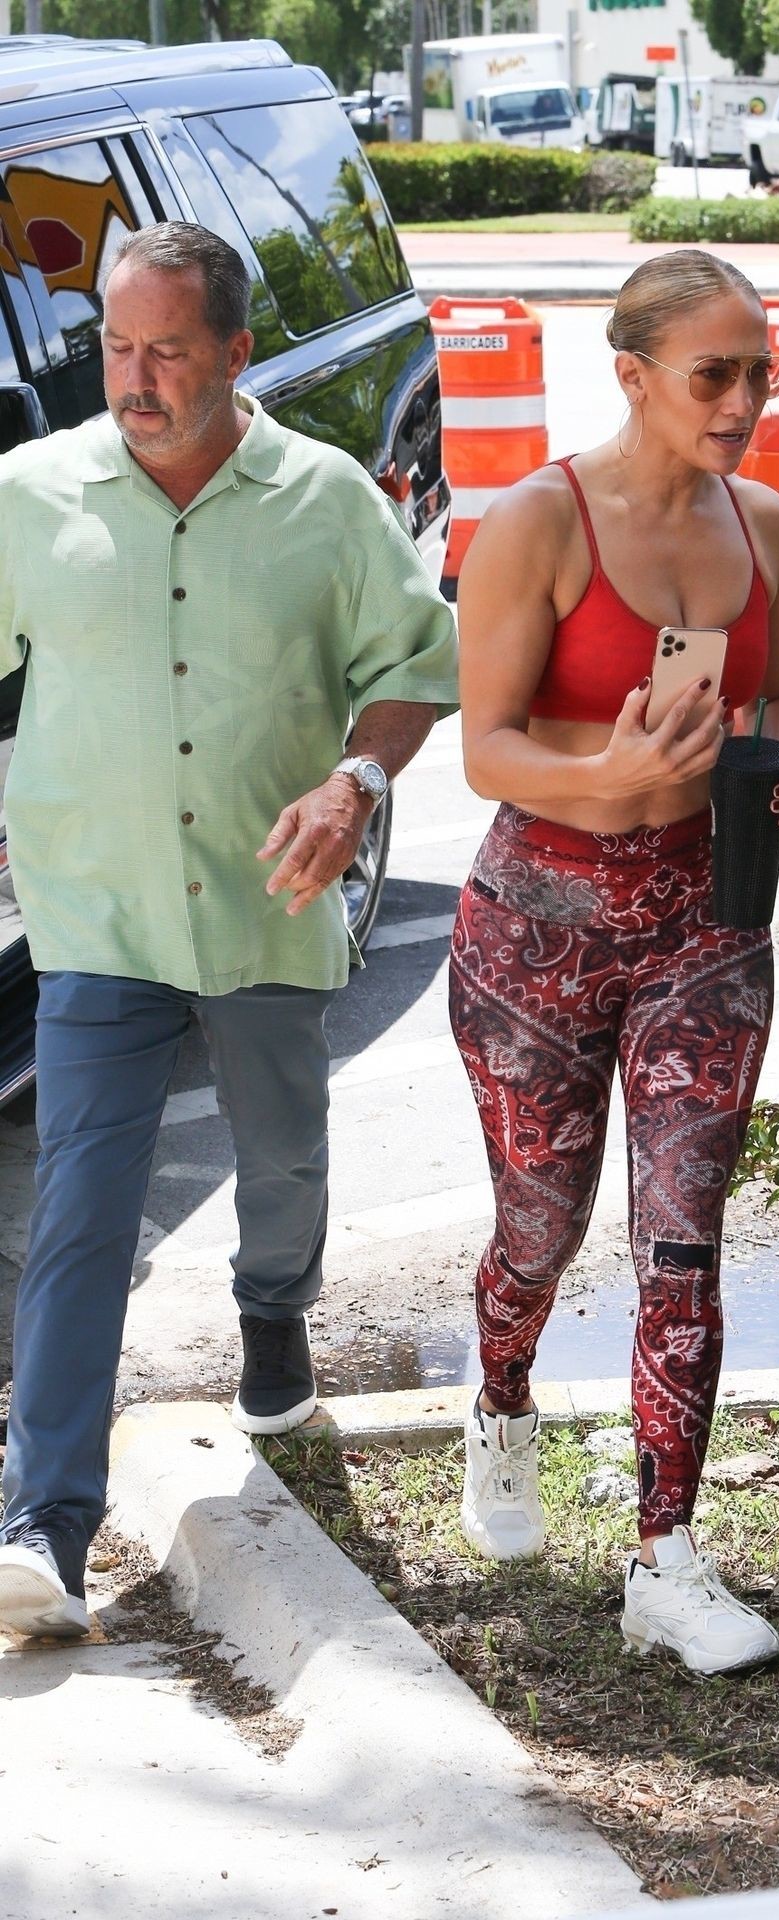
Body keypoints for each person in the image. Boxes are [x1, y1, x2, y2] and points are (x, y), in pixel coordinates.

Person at [0, 223, 458, 1639]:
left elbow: (415, 665)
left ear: (237, 352)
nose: (133, 380)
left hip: (270, 896)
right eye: (116, 349)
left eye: (167, 352)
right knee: (81, 1211)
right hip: (98, 906)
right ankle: (42, 1527)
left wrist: (356, 779)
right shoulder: (28, 493)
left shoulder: (324, 499)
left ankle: (274, 1308)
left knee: (284, 1157)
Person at [449, 249, 779, 1676]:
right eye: (714, 373)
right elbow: (487, 749)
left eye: (760, 373)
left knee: (682, 1236)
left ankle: (666, 1559)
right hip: (535, 930)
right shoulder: (538, 521)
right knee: (538, 1230)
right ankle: (503, 1394)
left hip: (705, 925)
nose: (743, 401)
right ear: (634, 375)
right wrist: (609, 773)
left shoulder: (766, 526)